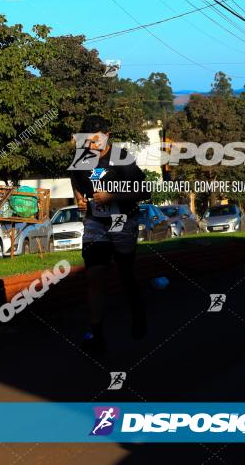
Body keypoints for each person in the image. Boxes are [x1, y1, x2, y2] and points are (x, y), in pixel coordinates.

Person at [68, 115, 151, 355]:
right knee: (95, 274)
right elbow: (75, 178)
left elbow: (144, 191)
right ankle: (97, 335)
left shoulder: (121, 158)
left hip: (122, 219)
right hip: (95, 222)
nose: (91, 145)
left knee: (125, 272)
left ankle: (137, 311)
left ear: (108, 136)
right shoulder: (81, 158)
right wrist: (79, 198)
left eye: (96, 139)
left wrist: (112, 197)